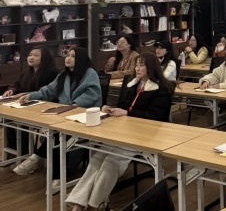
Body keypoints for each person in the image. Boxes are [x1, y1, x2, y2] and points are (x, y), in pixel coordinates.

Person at [66, 52, 173, 211]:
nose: (137, 68)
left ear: (151, 68)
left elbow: (157, 117)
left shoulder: (161, 89)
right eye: (136, 65)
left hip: (145, 135)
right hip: (123, 132)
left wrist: (128, 113)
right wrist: (110, 109)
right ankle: (78, 203)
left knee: (111, 162)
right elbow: (124, 107)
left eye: (141, 65)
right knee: (97, 158)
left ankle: (95, 204)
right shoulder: (133, 85)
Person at [13, 47, 101, 191]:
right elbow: (48, 90)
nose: (68, 58)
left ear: (80, 59)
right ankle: (56, 175)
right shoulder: (63, 75)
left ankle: (38, 158)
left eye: (73, 56)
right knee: (55, 134)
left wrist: (74, 105)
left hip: (84, 117)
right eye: (67, 55)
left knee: (57, 135)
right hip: (65, 116)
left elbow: (92, 94)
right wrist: (30, 95)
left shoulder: (90, 73)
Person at [2, 46, 58, 155]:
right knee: (8, 120)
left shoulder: (52, 73)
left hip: (42, 108)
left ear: (44, 58)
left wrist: (28, 95)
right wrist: (11, 90)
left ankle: (25, 153)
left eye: (36, 55)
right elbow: (17, 84)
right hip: (26, 105)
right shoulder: (27, 71)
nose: (31, 58)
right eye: (30, 55)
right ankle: (13, 153)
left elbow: (46, 92)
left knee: (21, 121)